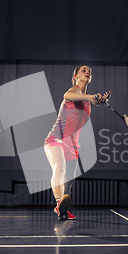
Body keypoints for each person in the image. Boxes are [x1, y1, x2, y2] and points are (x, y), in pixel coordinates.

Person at [44, 65, 110, 221]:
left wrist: (100, 100)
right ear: (76, 76)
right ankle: (59, 202)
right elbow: (67, 95)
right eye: (84, 71)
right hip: (56, 140)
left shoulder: (87, 99)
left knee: (69, 181)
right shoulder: (73, 91)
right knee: (59, 167)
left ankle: (63, 210)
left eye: (89, 72)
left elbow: (92, 101)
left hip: (72, 145)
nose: (88, 73)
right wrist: (90, 97)